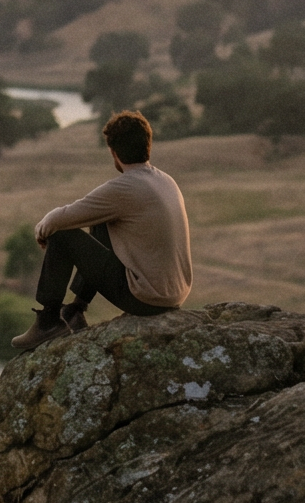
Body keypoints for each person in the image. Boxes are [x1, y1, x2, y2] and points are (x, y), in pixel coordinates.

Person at [11, 109, 192, 353]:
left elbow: (60, 219)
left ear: (114, 153)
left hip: (146, 299)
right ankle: (75, 310)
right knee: (100, 221)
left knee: (63, 235)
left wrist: (42, 232)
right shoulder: (166, 180)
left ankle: (49, 321)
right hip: (175, 294)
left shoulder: (125, 188)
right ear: (148, 144)